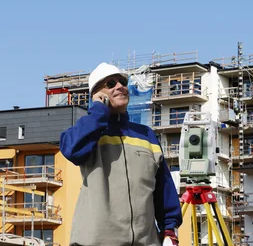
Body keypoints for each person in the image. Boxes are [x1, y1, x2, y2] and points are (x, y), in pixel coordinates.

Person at [60, 62, 183, 246]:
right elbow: (72, 150)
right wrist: (98, 112)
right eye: (110, 84)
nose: (120, 86)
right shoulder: (88, 132)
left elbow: (163, 189)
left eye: (122, 82)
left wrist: (169, 231)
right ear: (97, 95)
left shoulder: (146, 135)